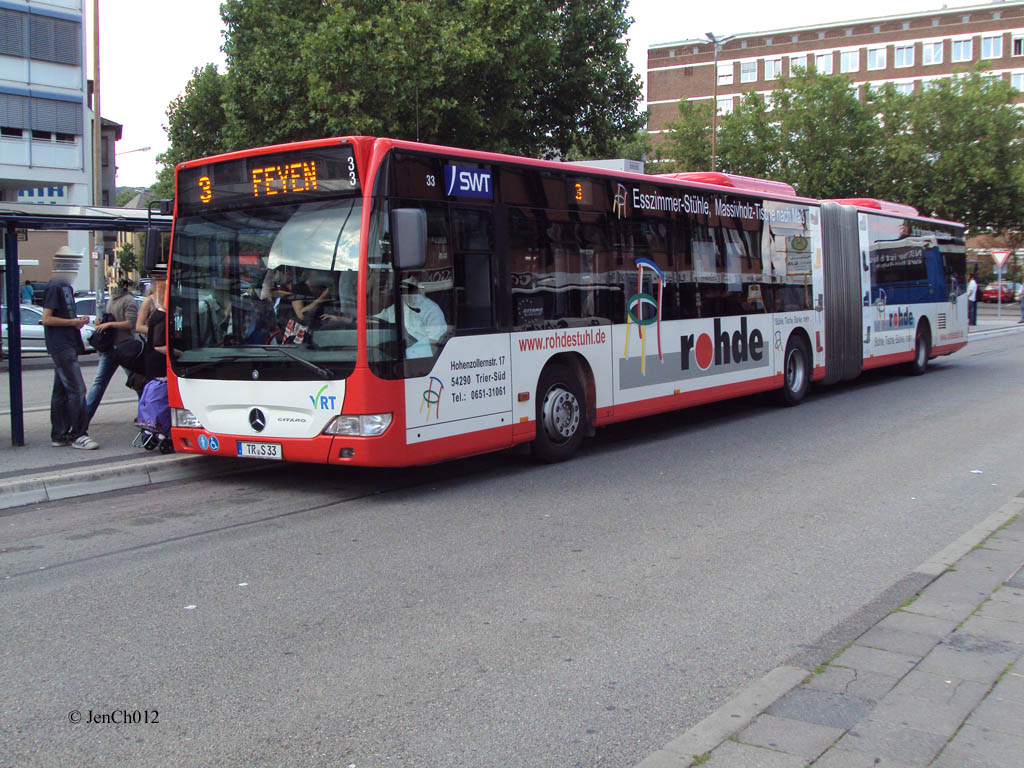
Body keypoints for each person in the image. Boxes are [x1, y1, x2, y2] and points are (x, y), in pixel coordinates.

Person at [40, 275, 98, 449]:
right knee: (77, 389)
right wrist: (73, 322)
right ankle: (78, 434)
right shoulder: (55, 287)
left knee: (61, 391)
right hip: (62, 344)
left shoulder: (64, 287)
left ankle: (59, 434)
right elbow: (46, 318)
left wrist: (77, 322)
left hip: (66, 342)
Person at [85, 278, 140, 424]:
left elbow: (131, 323)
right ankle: (84, 417)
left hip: (125, 348)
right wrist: (102, 322)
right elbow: (111, 320)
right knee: (100, 383)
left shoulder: (128, 301)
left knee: (138, 382)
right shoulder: (111, 300)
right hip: (111, 348)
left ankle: (146, 413)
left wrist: (109, 324)